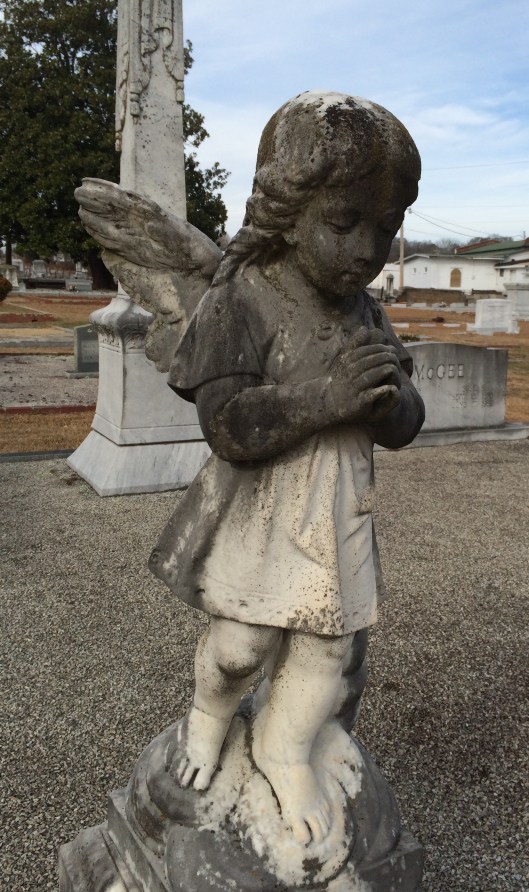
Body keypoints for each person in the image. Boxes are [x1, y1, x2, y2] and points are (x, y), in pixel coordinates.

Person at [149, 90, 425, 847]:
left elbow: (406, 423)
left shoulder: (367, 312)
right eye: (344, 224)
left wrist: (385, 404)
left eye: (385, 227)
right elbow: (228, 426)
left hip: (337, 508)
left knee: (328, 646)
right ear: (286, 213)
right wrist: (328, 397)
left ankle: (282, 745)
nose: (366, 250)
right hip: (259, 510)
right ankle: (209, 715)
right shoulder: (242, 295)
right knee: (241, 645)